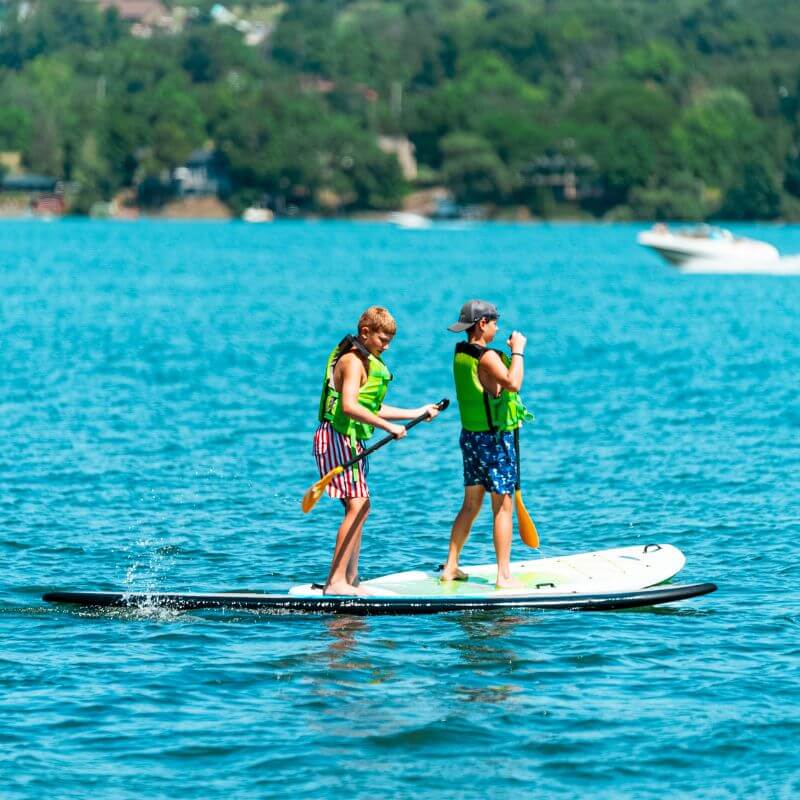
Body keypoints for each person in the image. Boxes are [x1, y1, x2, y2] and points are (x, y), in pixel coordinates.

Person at [314, 306, 440, 596]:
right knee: (358, 505)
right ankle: (335, 582)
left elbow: (370, 407)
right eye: (383, 340)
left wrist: (415, 412)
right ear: (365, 333)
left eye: (389, 341)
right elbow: (349, 407)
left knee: (361, 506)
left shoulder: (366, 362)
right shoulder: (352, 361)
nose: (386, 346)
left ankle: (350, 578)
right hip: (337, 438)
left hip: (351, 438)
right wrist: (387, 427)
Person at [442, 300, 533, 588]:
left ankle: (451, 566)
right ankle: (503, 574)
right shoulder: (487, 356)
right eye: (494, 322)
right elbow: (513, 383)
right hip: (494, 440)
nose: (497, 327)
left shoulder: (461, 354)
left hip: (470, 437)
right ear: (482, 324)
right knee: (502, 507)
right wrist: (517, 350)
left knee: (470, 504)